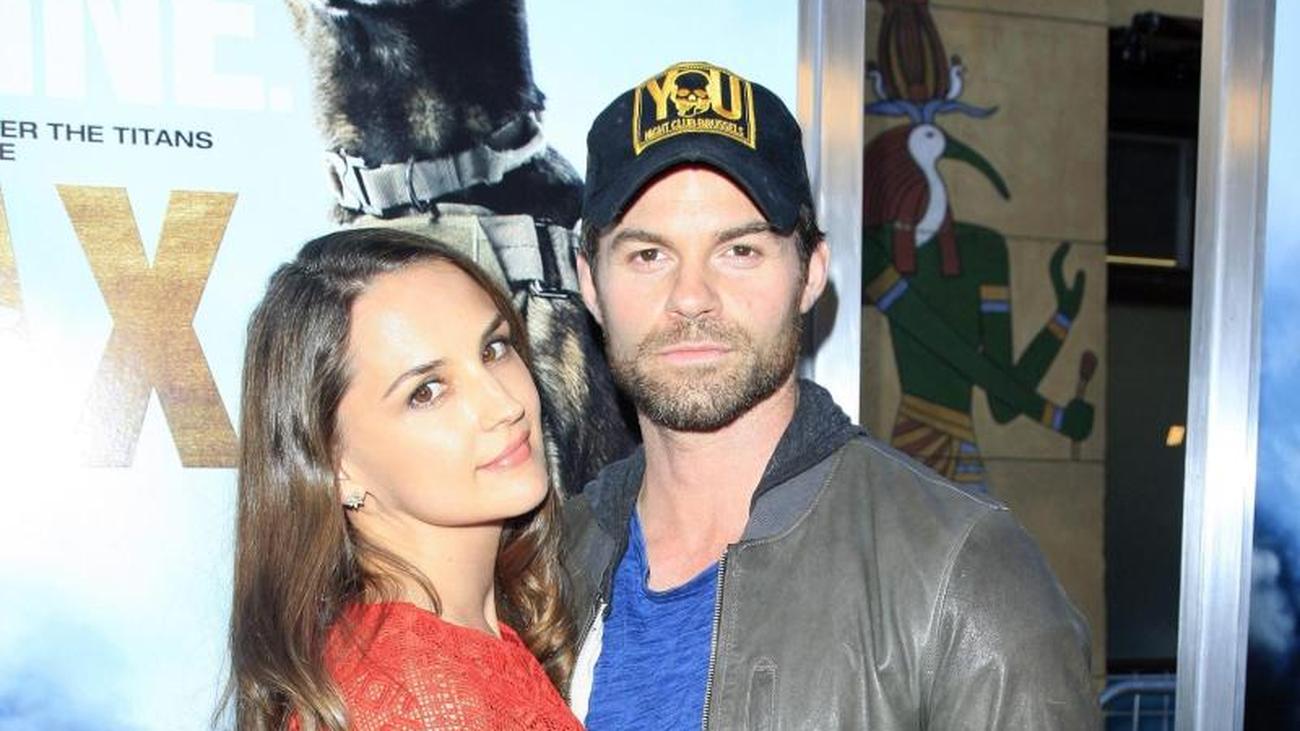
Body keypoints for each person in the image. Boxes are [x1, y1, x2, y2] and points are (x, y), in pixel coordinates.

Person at [563, 60, 1099, 729]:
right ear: (590, 283)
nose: (691, 296)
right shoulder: (548, 568)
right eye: (649, 255)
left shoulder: (968, 577)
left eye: (740, 251)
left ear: (811, 273)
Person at [223, 229, 582, 731]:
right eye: (427, 391)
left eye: (493, 349)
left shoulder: (451, 652)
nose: (505, 405)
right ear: (334, 464)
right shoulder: (414, 701)